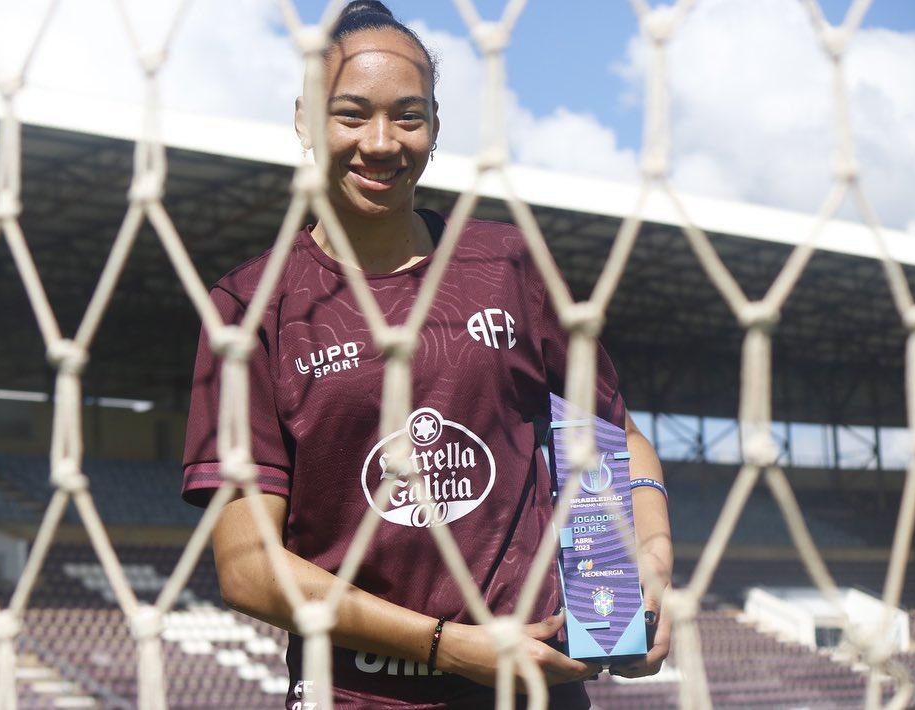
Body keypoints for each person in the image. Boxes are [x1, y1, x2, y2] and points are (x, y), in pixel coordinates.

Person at [181, 2, 672, 707]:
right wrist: (445, 645)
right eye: (351, 115)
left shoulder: (507, 263)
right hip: (355, 693)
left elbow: (611, 433)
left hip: (532, 685)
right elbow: (248, 567)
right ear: (305, 121)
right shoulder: (249, 306)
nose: (381, 142)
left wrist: (649, 559)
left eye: (408, 117)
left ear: (435, 127)